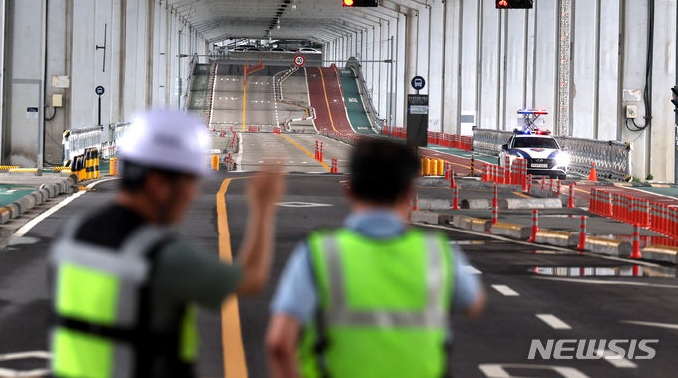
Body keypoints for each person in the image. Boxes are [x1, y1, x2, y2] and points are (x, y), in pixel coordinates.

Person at [49, 109, 284, 378]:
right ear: (159, 183)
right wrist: (263, 208)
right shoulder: (162, 256)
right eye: (188, 183)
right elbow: (250, 280)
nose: (192, 194)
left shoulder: (71, 236)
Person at [265, 138, 484, 378]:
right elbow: (473, 303)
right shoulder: (437, 253)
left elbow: (279, 342)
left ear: (348, 189)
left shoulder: (320, 252)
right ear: (409, 193)